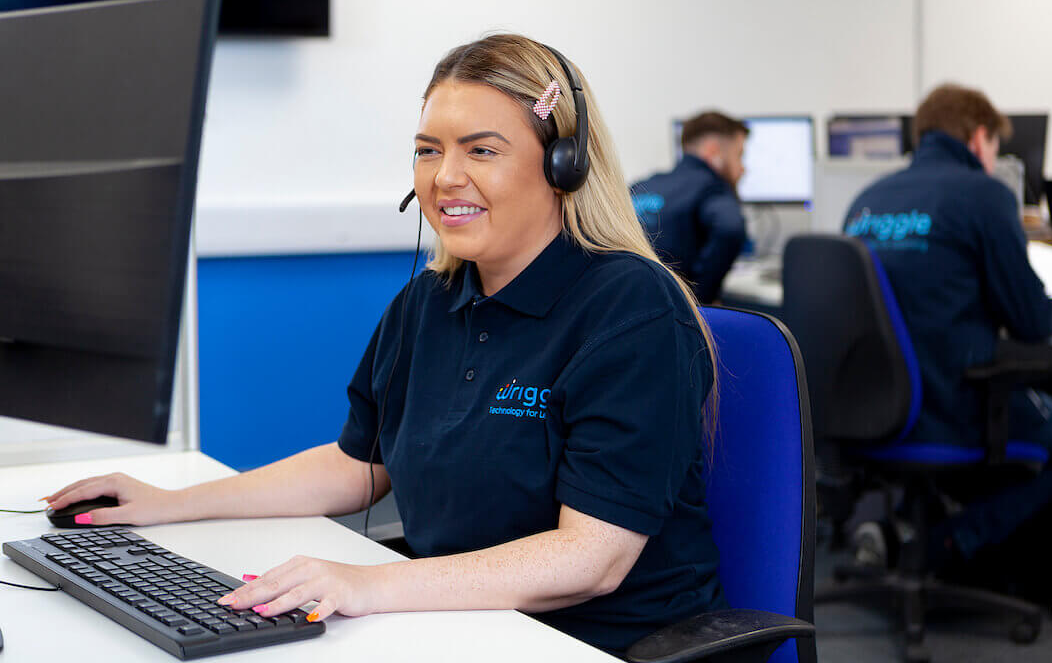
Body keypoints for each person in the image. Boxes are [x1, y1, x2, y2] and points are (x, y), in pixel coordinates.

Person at [44, 34, 726, 655]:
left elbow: (592, 559)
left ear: (563, 165)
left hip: (597, 645)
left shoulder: (630, 309)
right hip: (455, 624)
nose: (444, 178)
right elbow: (358, 463)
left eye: (481, 150)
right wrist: (165, 502)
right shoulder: (428, 301)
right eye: (429, 150)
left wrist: (368, 585)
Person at [843, 83, 1052, 572]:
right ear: (977, 137)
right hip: (952, 407)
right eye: (995, 147)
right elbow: (1030, 322)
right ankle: (950, 542)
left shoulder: (866, 200)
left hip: (869, 412)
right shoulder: (983, 195)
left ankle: (903, 530)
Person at [630, 111, 748, 304]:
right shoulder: (711, 186)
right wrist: (700, 299)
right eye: (739, 155)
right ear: (713, 151)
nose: (743, 168)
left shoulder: (642, 186)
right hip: (672, 316)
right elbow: (730, 229)